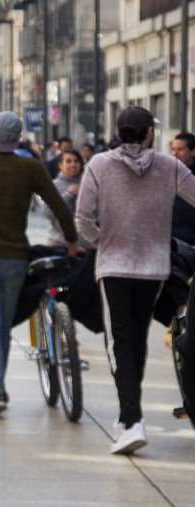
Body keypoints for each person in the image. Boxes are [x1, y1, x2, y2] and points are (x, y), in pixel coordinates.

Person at [76, 107, 195, 455]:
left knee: (119, 341)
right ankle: (128, 418)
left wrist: (103, 241)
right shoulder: (171, 166)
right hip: (153, 268)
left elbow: (83, 219)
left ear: (118, 133)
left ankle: (131, 420)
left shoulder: (99, 164)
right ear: (148, 133)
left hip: (114, 266)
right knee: (137, 337)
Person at [0, 111, 84, 418]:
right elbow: (58, 206)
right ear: (18, 137)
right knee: (3, 320)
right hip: (15, 255)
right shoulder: (30, 168)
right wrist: (72, 241)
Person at [42, 149, 93, 250]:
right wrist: (68, 195)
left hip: (88, 247)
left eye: (76, 161)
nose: (73, 165)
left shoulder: (90, 185)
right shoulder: (53, 186)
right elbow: (48, 214)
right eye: (68, 161)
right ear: (61, 165)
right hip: (60, 245)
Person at [170, 132, 195, 245]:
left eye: (180, 149)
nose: (175, 154)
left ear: (193, 151)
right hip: (171, 240)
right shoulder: (168, 173)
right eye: (173, 149)